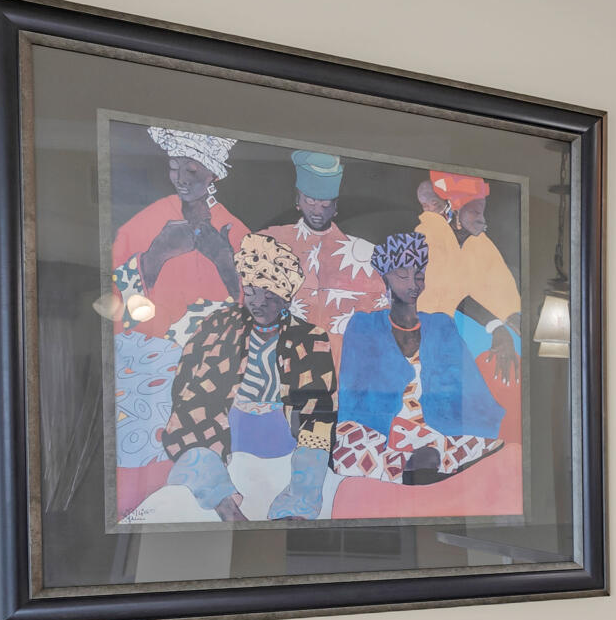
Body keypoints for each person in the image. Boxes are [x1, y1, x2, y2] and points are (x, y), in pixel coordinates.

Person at [158, 233, 336, 521]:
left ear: (285, 298)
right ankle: (228, 511)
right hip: (222, 452)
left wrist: (302, 491)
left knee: (314, 460)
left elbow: (318, 420)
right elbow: (185, 401)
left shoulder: (310, 339)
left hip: (289, 456)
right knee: (193, 464)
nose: (259, 302)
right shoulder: (217, 329)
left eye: (270, 294)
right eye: (252, 291)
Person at [331, 230, 506, 486]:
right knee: (353, 454)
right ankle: (419, 468)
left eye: (419, 276)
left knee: (440, 452)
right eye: (402, 275)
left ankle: (422, 466)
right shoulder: (363, 326)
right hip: (377, 429)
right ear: (385, 277)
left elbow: (469, 387)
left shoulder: (441, 326)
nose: (413, 283)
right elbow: (353, 393)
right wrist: (393, 430)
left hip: (435, 427)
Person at [108, 128, 248, 342]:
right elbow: (111, 294)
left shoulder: (237, 232)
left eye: (191, 171)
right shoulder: (145, 221)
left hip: (218, 356)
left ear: (214, 174)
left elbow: (259, 310)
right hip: (153, 352)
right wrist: (155, 255)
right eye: (174, 168)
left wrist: (223, 261)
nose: (181, 179)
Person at [261, 150, 383, 351]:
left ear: (335, 206)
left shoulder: (364, 254)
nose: (317, 210)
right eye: (310, 201)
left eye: (325, 203)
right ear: (297, 200)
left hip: (341, 357)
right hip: (284, 354)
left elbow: (378, 315)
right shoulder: (270, 243)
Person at [414, 172, 521, 383]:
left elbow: (502, 291)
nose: (482, 219)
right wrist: (496, 326)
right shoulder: (428, 237)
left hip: (472, 329)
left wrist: (512, 318)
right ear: (452, 210)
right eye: (475, 211)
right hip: (433, 333)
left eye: (482, 212)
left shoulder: (480, 243)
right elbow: (447, 296)